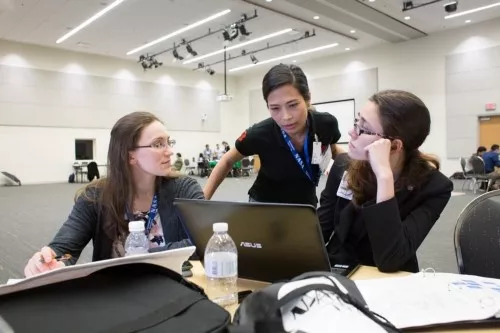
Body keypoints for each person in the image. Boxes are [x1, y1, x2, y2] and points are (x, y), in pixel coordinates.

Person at [24, 111, 204, 277]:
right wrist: (51, 261)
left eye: (168, 142)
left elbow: (204, 242)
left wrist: (137, 260)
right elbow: (65, 249)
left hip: (171, 288)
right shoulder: (95, 196)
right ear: (130, 156)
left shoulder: (184, 188)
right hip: (116, 294)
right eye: (158, 144)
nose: (169, 151)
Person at [317, 90, 453, 273]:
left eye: (363, 129)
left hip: (389, 280)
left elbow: (391, 258)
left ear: (394, 146)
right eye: (357, 122)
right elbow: (320, 230)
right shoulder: (343, 165)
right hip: (339, 269)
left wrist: (384, 177)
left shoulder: (434, 187)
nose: (352, 132)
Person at [203, 63, 341, 206]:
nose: (286, 117)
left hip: (305, 205)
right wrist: (201, 202)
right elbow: (227, 161)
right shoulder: (260, 133)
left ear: (307, 99)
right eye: (275, 108)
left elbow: (335, 150)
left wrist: (355, 168)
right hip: (264, 205)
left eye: (293, 105)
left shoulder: (325, 124)